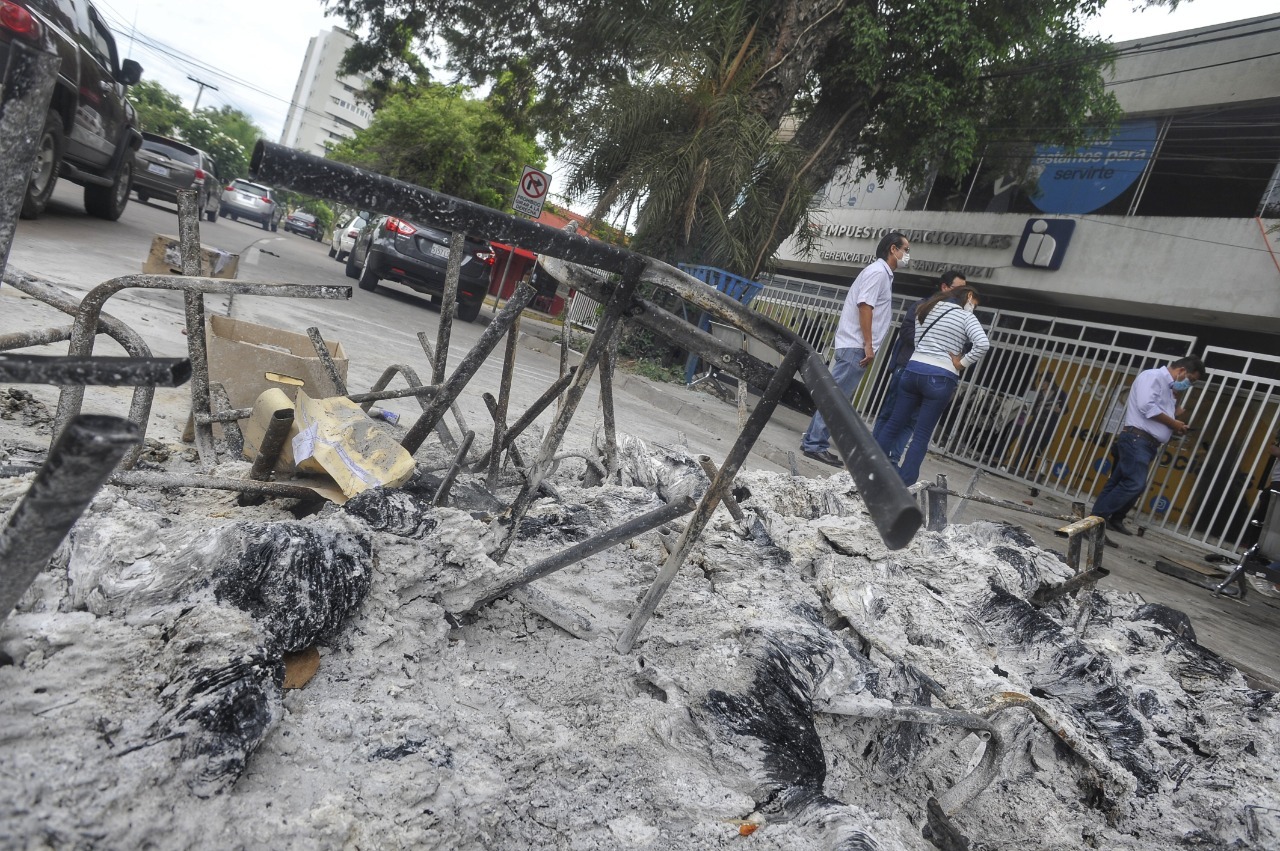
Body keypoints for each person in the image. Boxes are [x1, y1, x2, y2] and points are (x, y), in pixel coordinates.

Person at [800, 231, 910, 466]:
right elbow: (865, 307)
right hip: (855, 347)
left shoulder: (882, 274)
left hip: (854, 346)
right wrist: (868, 345)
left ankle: (813, 440)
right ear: (893, 249)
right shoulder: (878, 273)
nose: (906, 255)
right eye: (905, 250)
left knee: (835, 396)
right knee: (836, 399)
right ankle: (814, 444)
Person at [874, 285, 990, 485]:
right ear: (969, 296)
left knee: (894, 423)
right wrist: (961, 363)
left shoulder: (926, 308)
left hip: (913, 370)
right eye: (975, 305)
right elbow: (983, 344)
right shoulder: (966, 317)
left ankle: (872, 470)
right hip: (940, 377)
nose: (973, 308)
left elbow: (918, 342)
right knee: (921, 434)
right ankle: (904, 483)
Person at [1091, 355, 1206, 540]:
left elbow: (1162, 417)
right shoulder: (1153, 377)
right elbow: (1147, 407)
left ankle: (1093, 526)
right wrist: (1174, 423)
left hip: (1145, 443)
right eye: (1190, 380)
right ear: (1182, 371)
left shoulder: (1169, 389)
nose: (1189, 384)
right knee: (1134, 484)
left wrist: (1176, 424)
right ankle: (1092, 524)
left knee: (1116, 484)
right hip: (1137, 440)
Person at [872, 271, 967, 463]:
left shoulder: (961, 316)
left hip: (933, 375)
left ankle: (892, 459)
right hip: (907, 368)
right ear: (944, 287)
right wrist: (930, 345)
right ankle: (873, 454)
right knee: (890, 414)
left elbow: (966, 344)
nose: (963, 293)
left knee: (912, 421)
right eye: (959, 289)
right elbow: (906, 331)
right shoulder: (922, 306)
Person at [1004, 372, 1068, 478]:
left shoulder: (1060, 394)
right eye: (1040, 381)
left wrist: (1057, 409)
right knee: (1023, 448)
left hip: (1047, 428)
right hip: (1033, 425)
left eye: (1044, 381)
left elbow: (1065, 410)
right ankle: (1014, 471)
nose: (1041, 383)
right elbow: (1032, 410)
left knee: (1035, 453)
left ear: (1050, 381)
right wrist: (1037, 408)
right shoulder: (1038, 394)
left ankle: (1027, 474)